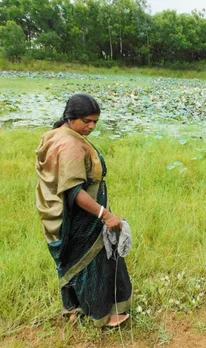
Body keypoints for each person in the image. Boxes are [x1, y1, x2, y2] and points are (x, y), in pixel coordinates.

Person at [35, 93, 132, 327]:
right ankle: (100, 314)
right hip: (80, 217)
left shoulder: (60, 134)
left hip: (62, 214)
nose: (92, 127)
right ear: (71, 117)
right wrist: (105, 215)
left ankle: (73, 308)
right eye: (87, 121)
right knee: (94, 263)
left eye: (95, 122)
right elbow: (74, 192)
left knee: (71, 261)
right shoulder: (70, 145)